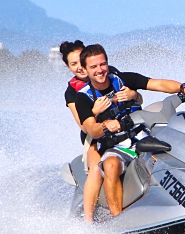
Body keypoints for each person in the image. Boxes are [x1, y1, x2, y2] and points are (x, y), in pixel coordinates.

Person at [75, 44, 185, 219]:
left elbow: (158, 83)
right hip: (117, 146)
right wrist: (104, 126)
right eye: (93, 67)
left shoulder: (124, 80)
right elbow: (91, 129)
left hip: (145, 136)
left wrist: (184, 87)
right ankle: (118, 219)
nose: (100, 70)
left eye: (102, 64)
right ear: (86, 70)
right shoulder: (83, 97)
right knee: (110, 166)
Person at [59, 40, 143, 222]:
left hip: (122, 131)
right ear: (69, 67)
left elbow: (134, 99)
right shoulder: (72, 93)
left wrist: (134, 95)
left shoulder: (107, 74)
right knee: (97, 169)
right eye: (74, 65)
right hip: (93, 137)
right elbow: (84, 126)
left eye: (81, 62)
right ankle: (88, 222)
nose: (80, 68)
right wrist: (95, 111)